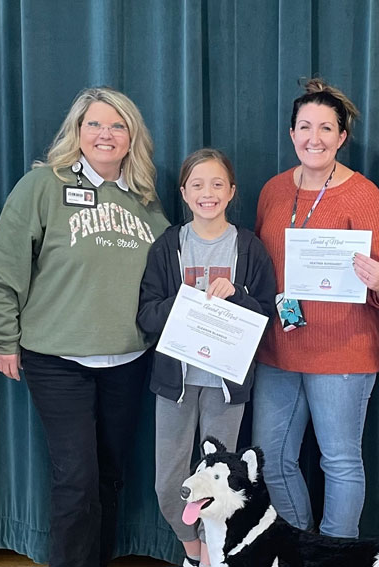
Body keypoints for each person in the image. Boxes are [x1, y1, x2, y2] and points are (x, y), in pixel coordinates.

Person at [0, 87, 170, 567]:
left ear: (132, 136)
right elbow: (3, 267)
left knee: (109, 476)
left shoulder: (145, 199)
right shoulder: (43, 186)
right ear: (77, 132)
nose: (105, 134)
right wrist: (1, 336)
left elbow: (171, 271)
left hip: (127, 358)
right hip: (57, 359)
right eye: (94, 125)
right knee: (76, 481)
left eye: (117, 125)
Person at [252, 78, 379, 538]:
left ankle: (336, 556)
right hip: (278, 351)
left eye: (325, 128)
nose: (313, 138)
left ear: (342, 137)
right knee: (270, 458)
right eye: (304, 127)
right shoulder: (273, 191)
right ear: (292, 133)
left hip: (343, 353)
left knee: (338, 461)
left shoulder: (365, 196)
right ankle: (299, 547)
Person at [137, 148, 276, 567]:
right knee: (169, 484)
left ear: (232, 191)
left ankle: (216, 558)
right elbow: (146, 313)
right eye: (197, 184)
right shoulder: (168, 247)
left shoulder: (249, 247)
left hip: (225, 386)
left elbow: (267, 310)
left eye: (217, 184)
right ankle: (194, 553)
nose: (207, 192)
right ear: (183, 192)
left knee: (221, 488)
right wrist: (183, 304)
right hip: (174, 385)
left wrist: (239, 296)